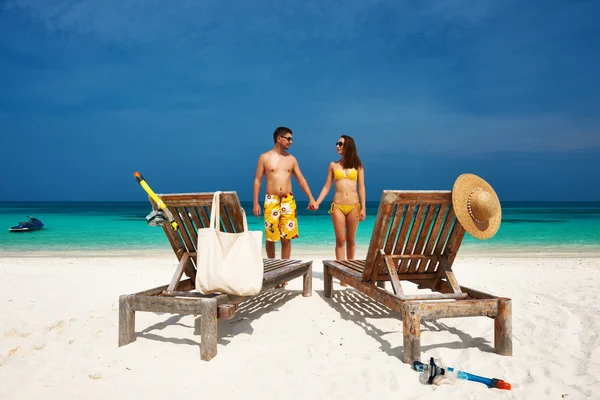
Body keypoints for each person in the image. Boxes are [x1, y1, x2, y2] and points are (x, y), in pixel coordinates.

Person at [253, 127, 317, 265]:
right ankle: (274, 267)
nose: (291, 142)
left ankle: (284, 268)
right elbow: (257, 180)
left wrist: (311, 198)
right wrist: (255, 203)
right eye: (288, 138)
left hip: (288, 200)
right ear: (279, 138)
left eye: (291, 139)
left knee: (286, 238)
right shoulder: (264, 157)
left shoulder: (291, 159)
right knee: (271, 238)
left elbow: (301, 179)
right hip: (271, 200)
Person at [312, 135, 366, 282]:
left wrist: (364, 208)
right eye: (337, 143)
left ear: (348, 146)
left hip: (354, 205)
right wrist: (317, 202)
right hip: (338, 206)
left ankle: (350, 272)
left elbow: (361, 187)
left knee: (351, 240)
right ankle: (341, 274)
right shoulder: (333, 165)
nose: (337, 146)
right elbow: (327, 186)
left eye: (340, 144)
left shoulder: (358, 166)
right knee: (340, 240)